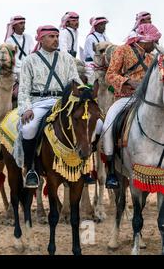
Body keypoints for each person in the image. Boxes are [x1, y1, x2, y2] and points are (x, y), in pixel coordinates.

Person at [18, 25, 103, 188]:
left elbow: (75, 81)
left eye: (57, 36)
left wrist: (87, 93)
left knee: (98, 125)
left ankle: (85, 167)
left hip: (65, 101)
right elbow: (23, 88)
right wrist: (26, 108)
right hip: (40, 102)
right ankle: (31, 169)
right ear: (41, 39)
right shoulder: (29, 60)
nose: (56, 39)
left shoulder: (67, 58)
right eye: (51, 36)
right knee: (29, 128)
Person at [102, 23, 162, 189]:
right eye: (155, 41)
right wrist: (128, 81)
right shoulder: (122, 50)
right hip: (125, 98)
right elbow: (110, 76)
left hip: (147, 101)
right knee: (108, 125)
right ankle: (111, 170)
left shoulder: (152, 59)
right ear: (145, 40)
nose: (156, 44)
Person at [82, 16, 110, 83]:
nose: (104, 26)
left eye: (104, 24)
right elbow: (94, 56)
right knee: (94, 83)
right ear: (95, 26)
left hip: (103, 64)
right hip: (91, 65)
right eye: (101, 24)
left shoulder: (105, 37)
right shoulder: (90, 38)